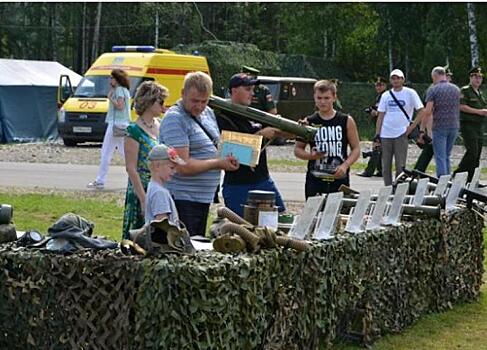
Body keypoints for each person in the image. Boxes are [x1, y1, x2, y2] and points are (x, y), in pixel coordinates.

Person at [159, 71, 239, 237]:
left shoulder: (207, 113)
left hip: (201, 198)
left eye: (204, 101)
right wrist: (218, 163)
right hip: (183, 199)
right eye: (194, 101)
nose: (199, 106)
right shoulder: (175, 118)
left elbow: (213, 145)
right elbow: (182, 165)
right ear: (182, 94)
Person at [216, 73, 289, 217]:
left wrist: (289, 126)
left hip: (263, 180)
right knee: (243, 230)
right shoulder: (222, 116)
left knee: (280, 219)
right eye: (248, 89)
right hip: (238, 185)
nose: (252, 93)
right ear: (234, 90)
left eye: (253, 89)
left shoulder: (254, 113)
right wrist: (261, 135)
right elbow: (230, 152)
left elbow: (285, 134)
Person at [294, 80, 360, 199]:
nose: (322, 102)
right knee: (314, 214)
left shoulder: (346, 120)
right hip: (315, 179)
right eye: (319, 98)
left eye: (326, 98)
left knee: (337, 214)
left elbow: (356, 149)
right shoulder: (308, 121)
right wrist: (311, 156)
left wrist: (345, 165)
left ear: (334, 97)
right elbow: (298, 150)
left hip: (339, 178)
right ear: (314, 97)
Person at [122, 81, 169, 239]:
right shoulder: (133, 130)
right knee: (139, 236)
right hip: (141, 189)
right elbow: (131, 168)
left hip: (158, 186)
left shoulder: (161, 125)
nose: (163, 105)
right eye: (160, 101)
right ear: (149, 101)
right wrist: (143, 199)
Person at [374, 69, 425, 186]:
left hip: (401, 133)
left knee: (400, 166)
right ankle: (387, 188)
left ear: (403, 80)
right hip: (386, 133)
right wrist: (377, 134)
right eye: (393, 78)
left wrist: (411, 128)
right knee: (385, 165)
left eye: (398, 78)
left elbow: (422, 111)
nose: (396, 80)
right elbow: (380, 116)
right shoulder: (386, 95)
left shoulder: (410, 93)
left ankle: (398, 189)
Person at [87, 69, 131, 190]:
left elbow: (120, 106)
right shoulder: (125, 90)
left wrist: (110, 98)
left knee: (106, 152)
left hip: (115, 125)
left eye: (111, 78)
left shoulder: (119, 91)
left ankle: (100, 180)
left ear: (116, 79)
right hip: (124, 124)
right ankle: (134, 176)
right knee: (125, 153)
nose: (109, 80)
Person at [417, 66, 460, 177]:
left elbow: (428, 111)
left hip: (440, 126)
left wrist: (422, 130)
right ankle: (448, 180)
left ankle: (442, 181)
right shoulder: (456, 89)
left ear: (434, 76)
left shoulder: (433, 90)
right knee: (447, 155)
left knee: (440, 156)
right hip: (454, 125)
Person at [454, 66, 487, 181]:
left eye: (480, 77)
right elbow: (462, 106)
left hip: (479, 126)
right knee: (472, 152)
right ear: (471, 77)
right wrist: (479, 112)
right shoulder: (465, 90)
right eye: (476, 77)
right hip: (468, 124)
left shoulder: (479, 92)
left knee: (477, 153)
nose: (478, 80)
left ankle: (472, 179)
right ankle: (458, 174)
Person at [145, 143, 186, 225]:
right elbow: (162, 225)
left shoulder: (154, 187)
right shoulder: (159, 193)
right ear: (157, 166)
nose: (174, 172)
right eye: (171, 168)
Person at [357, 76, 387, 177]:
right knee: (379, 149)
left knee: (376, 147)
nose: (378, 87)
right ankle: (380, 170)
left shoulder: (384, 96)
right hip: (381, 125)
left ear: (385, 85)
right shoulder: (380, 96)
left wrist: (372, 111)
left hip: (383, 125)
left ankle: (369, 171)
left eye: (380, 85)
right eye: (376, 85)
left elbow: (379, 112)